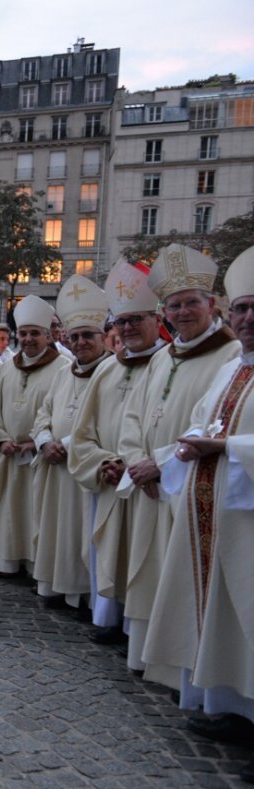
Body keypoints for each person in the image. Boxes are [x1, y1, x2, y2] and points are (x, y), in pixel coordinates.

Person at [144, 246, 254, 784]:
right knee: (227, 619)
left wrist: (231, 449)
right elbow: (197, 423)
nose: (249, 320)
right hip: (216, 516)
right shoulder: (231, 369)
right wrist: (186, 449)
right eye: (244, 309)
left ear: (209, 307)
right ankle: (234, 708)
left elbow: (229, 440)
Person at [117, 244, 240, 680]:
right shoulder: (163, 357)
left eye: (192, 302)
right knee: (149, 574)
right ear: (164, 313)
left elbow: (210, 424)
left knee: (183, 581)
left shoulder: (230, 357)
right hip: (149, 484)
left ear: (211, 305)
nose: (183, 311)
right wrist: (136, 461)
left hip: (186, 485)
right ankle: (146, 656)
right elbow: (133, 415)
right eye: (175, 305)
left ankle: (181, 671)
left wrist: (162, 464)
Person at [68, 259, 167, 645]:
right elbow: (82, 432)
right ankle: (109, 618)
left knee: (146, 556)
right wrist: (102, 463)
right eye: (121, 322)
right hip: (110, 481)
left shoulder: (167, 364)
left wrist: (138, 465)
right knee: (109, 553)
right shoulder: (108, 369)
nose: (128, 329)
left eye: (136, 319)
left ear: (156, 319)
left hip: (149, 484)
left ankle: (141, 631)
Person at [31, 276, 110, 611]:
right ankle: (55, 587)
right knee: (56, 530)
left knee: (82, 534)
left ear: (103, 337)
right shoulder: (64, 371)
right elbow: (43, 413)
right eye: (74, 336)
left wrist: (65, 443)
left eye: (88, 335)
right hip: (54, 465)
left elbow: (109, 423)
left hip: (86, 472)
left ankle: (83, 597)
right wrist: (45, 440)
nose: (80, 342)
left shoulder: (112, 372)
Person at [0, 295, 67, 579]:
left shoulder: (64, 367)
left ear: (47, 334)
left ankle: (36, 568)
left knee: (37, 512)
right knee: (10, 510)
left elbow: (64, 410)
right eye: (23, 333)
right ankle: (8, 562)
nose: (28, 339)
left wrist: (38, 441)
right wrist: (0, 439)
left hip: (39, 455)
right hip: (8, 452)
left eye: (35, 333)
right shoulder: (6, 366)